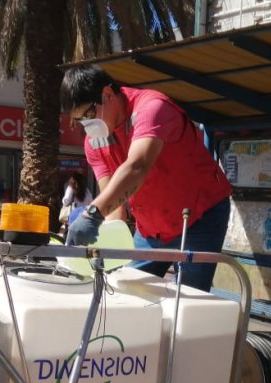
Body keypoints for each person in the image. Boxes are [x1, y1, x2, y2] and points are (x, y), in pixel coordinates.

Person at [60, 64, 233, 292]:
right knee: (126, 289)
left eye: (89, 115)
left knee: (188, 298)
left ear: (107, 95)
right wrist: (109, 252)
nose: (87, 125)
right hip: (151, 227)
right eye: (79, 120)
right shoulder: (94, 142)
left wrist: (91, 214)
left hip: (200, 217)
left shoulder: (152, 109)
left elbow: (137, 166)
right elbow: (114, 204)